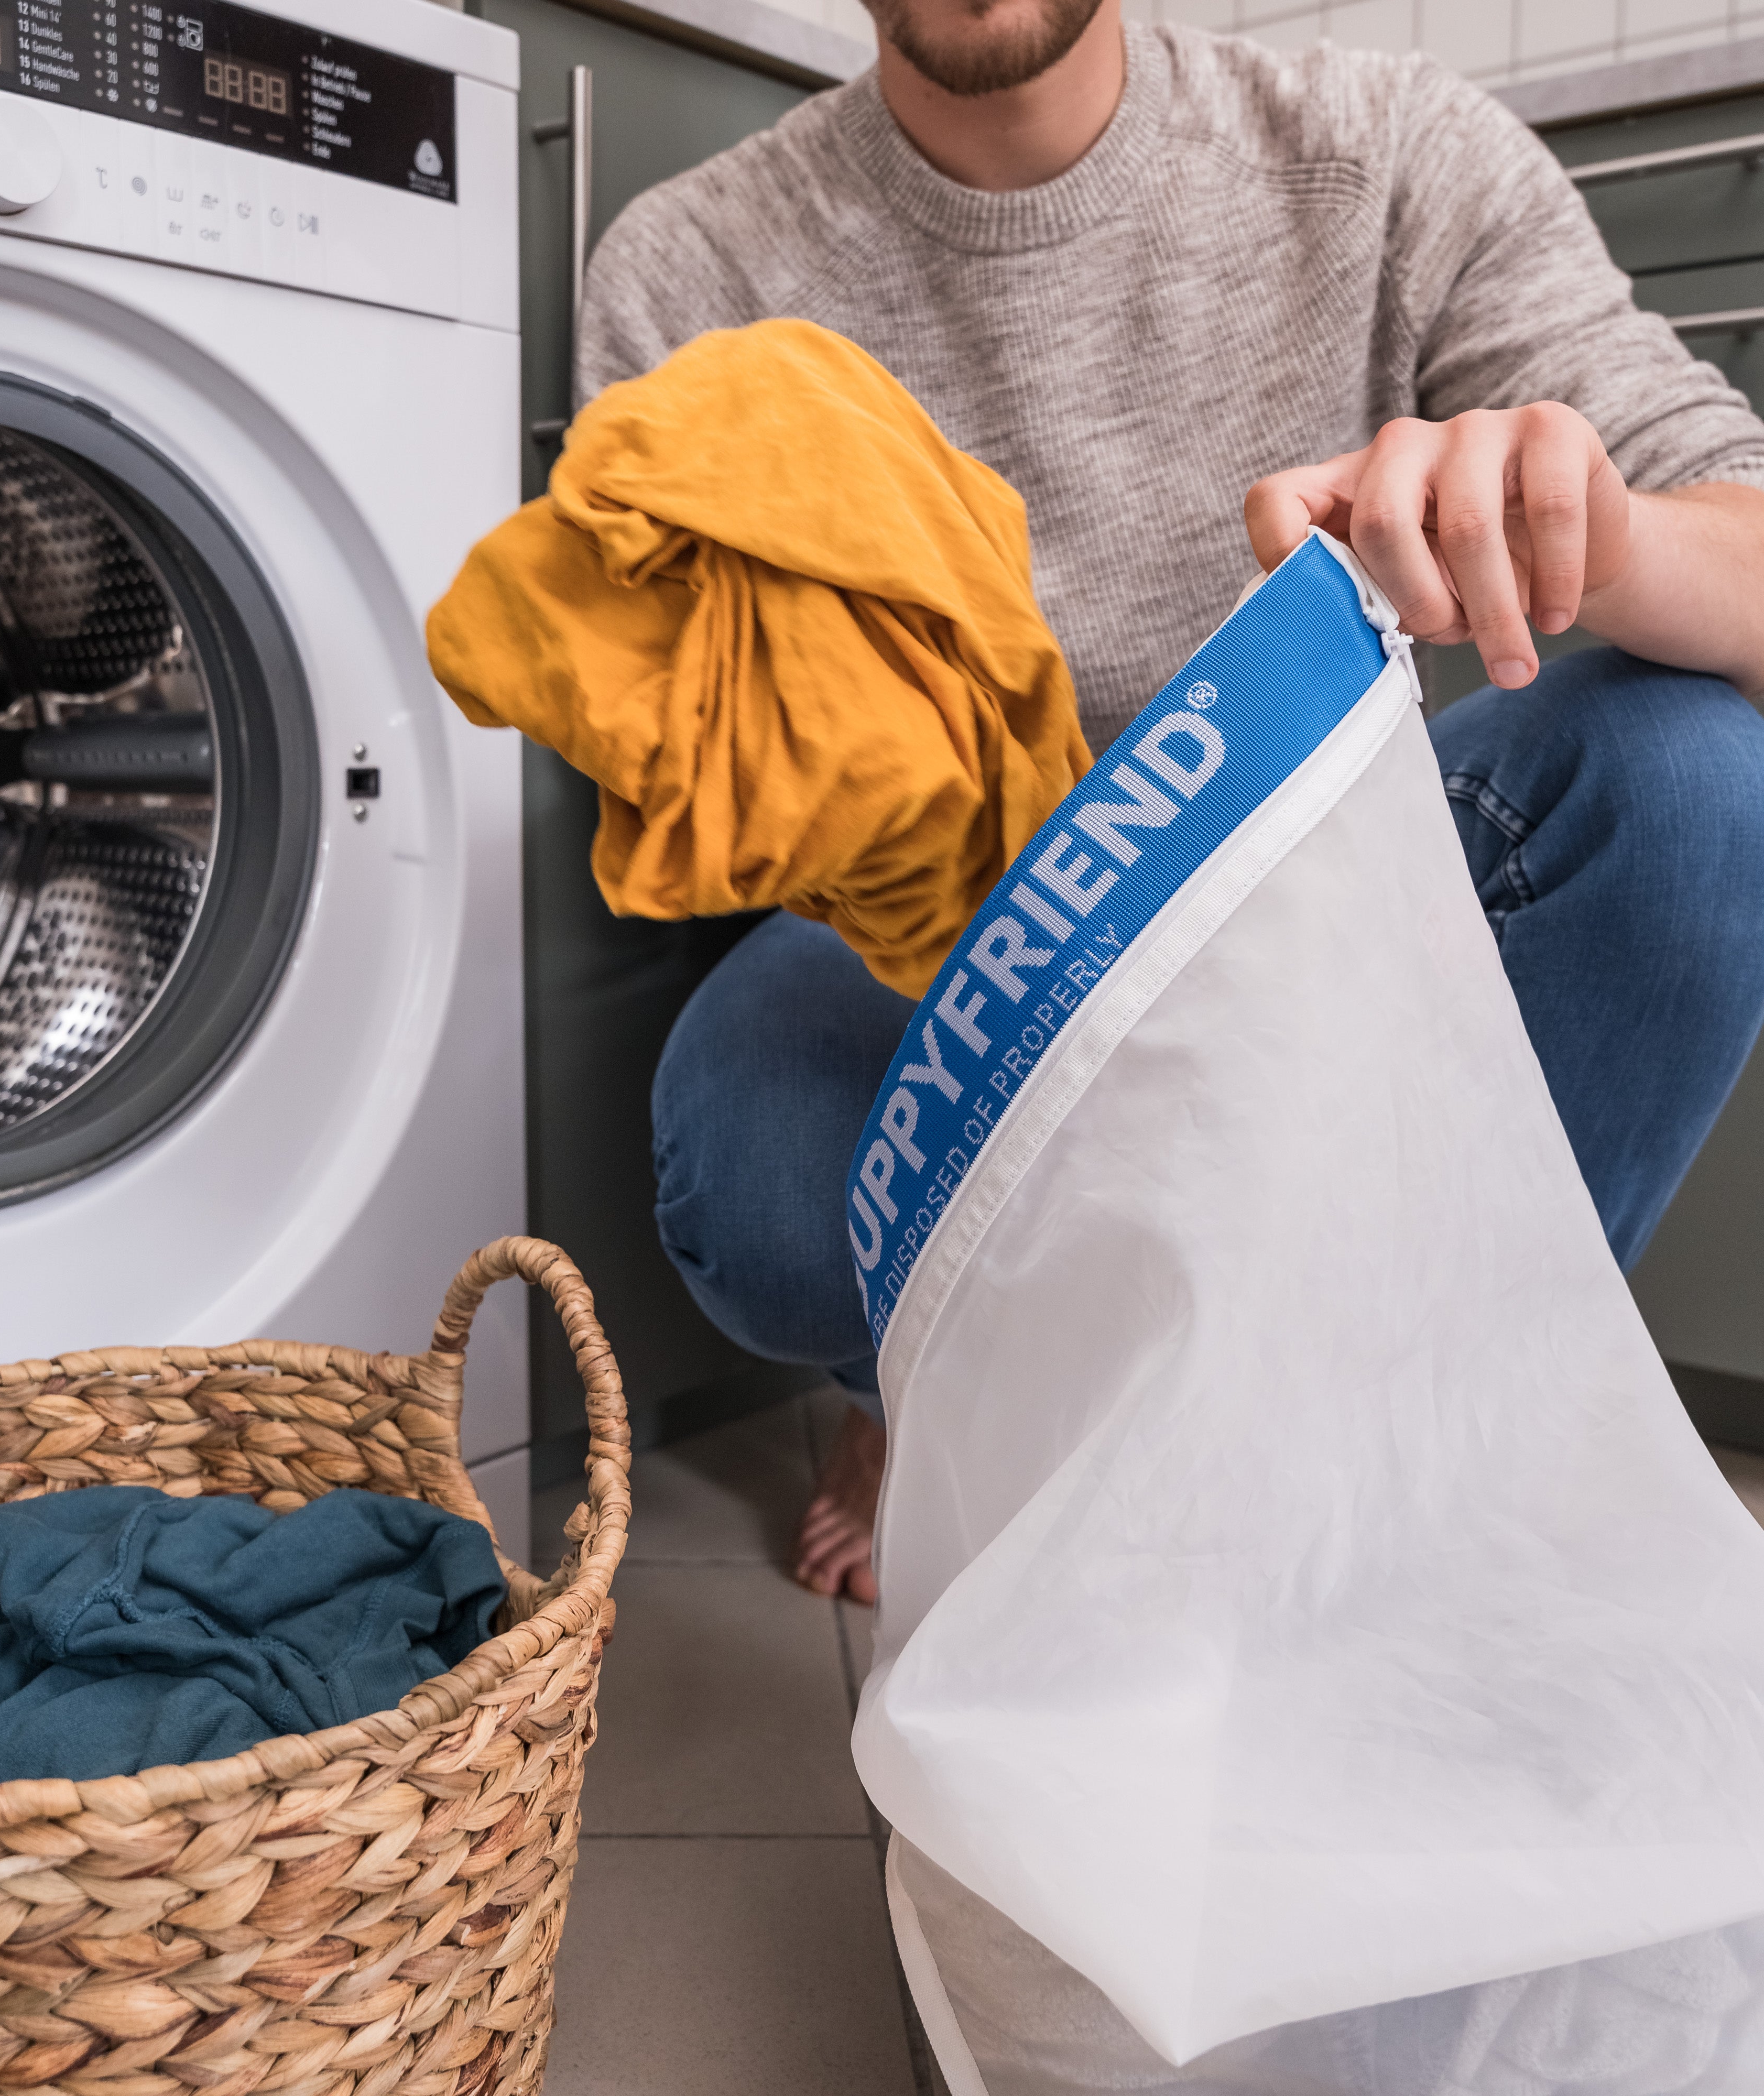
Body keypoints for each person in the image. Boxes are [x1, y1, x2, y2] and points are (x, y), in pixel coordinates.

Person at [575, 0, 1764, 1603]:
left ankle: (1432, 1435)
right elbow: (669, 754)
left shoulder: (1391, 154)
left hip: (1334, 869)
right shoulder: (689, 266)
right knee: (754, 1162)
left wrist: (1592, 540)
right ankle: (928, 1400)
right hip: (960, 930)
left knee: (1696, 778)